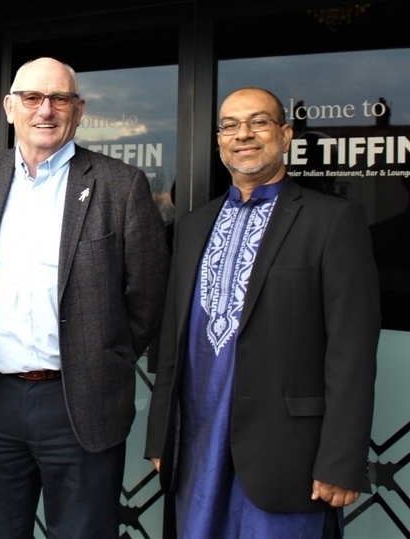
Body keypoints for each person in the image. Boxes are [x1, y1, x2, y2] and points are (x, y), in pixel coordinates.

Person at [145, 87, 380, 538]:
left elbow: (351, 352)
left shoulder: (332, 221)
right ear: (218, 141)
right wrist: (162, 438)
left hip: (288, 458)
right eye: (230, 125)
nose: (243, 134)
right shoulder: (193, 227)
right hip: (197, 449)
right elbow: (171, 339)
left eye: (259, 122)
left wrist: (342, 460)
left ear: (285, 134)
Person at [0, 57, 170, 538]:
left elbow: (148, 296)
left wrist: (104, 355)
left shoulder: (120, 185)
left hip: (80, 400)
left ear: (79, 109)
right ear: (10, 107)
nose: (45, 110)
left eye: (59, 98)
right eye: (32, 97)